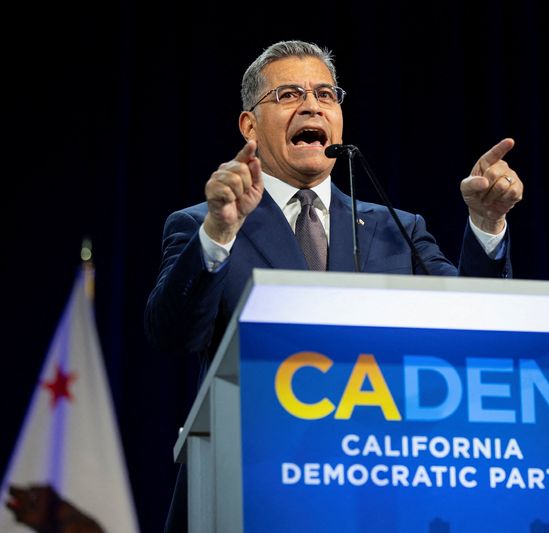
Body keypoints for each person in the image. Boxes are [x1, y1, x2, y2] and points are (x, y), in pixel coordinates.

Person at [144, 39, 523, 532]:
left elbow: (475, 327)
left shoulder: (395, 226)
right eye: (288, 95)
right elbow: (172, 334)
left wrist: (486, 224)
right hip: (251, 493)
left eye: (326, 94)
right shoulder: (207, 224)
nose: (311, 105)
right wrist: (218, 233)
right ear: (249, 125)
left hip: (380, 496)